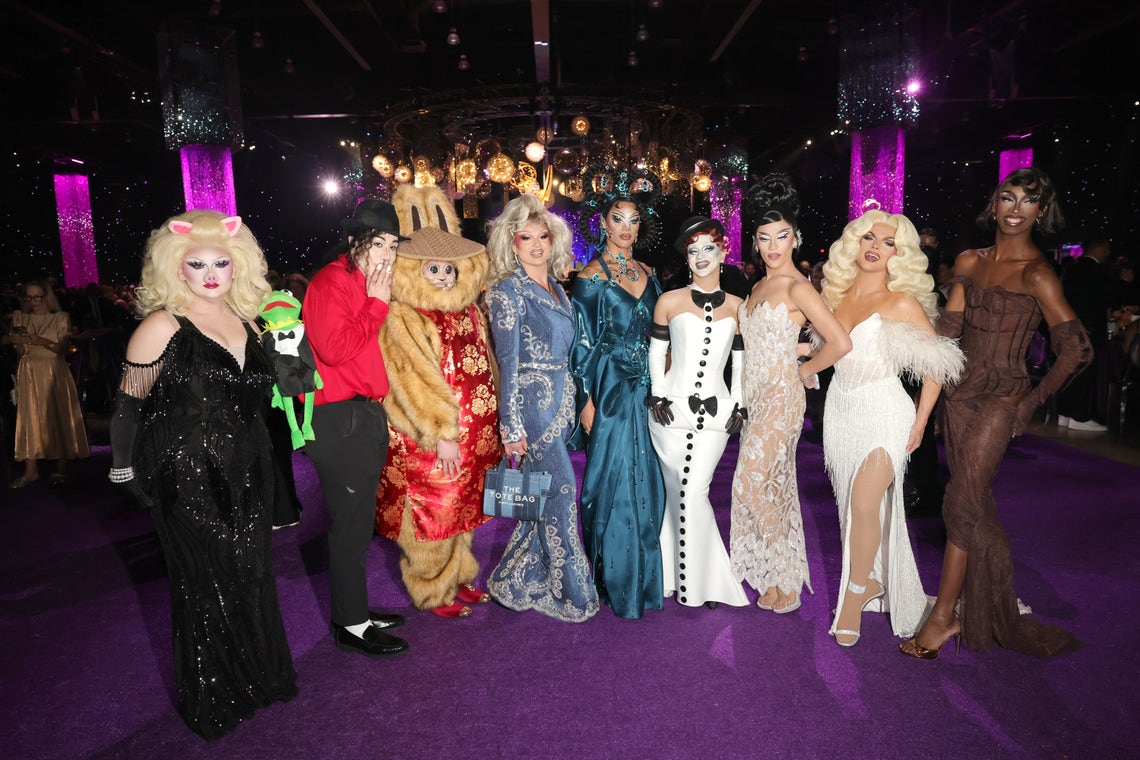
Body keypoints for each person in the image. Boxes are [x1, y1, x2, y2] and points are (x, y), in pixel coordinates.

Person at [107, 211, 296, 738]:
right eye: (198, 264)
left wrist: (294, 352)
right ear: (176, 267)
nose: (211, 274)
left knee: (251, 572)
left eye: (221, 263)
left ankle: (257, 677)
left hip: (251, 469)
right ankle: (215, 694)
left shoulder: (250, 321)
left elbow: (284, 389)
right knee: (204, 581)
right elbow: (127, 409)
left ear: (239, 266)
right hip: (187, 475)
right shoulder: (161, 327)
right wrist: (123, 470)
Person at [902, 167, 1091, 659]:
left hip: (1002, 399)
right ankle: (978, 606)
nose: (1015, 209)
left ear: (1041, 212)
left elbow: (1076, 350)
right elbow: (949, 335)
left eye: (1028, 201)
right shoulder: (969, 260)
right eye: (1008, 197)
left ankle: (943, 617)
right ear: (994, 203)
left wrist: (1029, 404)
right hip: (959, 396)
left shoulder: (1037, 274)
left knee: (962, 499)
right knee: (973, 501)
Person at [820, 209, 964, 646]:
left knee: (864, 503)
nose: (875, 248)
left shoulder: (901, 303)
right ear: (853, 243)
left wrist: (920, 422)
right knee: (851, 509)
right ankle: (871, 579)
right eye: (869, 238)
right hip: (840, 411)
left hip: (885, 411)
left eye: (888, 243)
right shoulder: (834, 297)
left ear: (899, 255)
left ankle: (853, 598)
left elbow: (938, 365)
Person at [730, 176, 851, 614]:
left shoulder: (798, 286)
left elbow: (839, 342)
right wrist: (796, 351)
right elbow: (771, 340)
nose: (773, 246)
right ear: (755, 242)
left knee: (748, 481)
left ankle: (785, 574)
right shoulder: (757, 287)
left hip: (781, 399)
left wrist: (804, 369)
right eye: (764, 238)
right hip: (755, 399)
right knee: (770, 486)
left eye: (781, 236)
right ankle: (776, 577)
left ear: (795, 237)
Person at [483, 194, 599, 622]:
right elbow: (508, 364)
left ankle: (513, 580)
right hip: (531, 409)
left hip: (560, 404)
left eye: (542, 237)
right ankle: (571, 592)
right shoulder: (506, 293)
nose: (535, 245)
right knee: (562, 491)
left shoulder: (555, 288)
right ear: (511, 244)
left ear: (554, 241)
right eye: (525, 237)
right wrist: (511, 427)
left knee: (544, 495)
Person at [375, 226, 500, 618]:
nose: (444, 277)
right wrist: (442, 434)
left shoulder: (469, 311)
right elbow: (412, 380)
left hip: (473, 437)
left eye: (450, 269)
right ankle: (433, 590)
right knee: (432, 515)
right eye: (434, 269)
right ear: (413, 270)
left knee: (463, 509)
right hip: (430, 441)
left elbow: (488, 367)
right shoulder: (404, 316)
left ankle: (458, 577)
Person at [303, 199, 409, 657]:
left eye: (392, 245)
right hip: (340, 418)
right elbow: (334, 349)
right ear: (353, 241)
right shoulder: (332, 281)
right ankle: (351, 624)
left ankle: (355, 609)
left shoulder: (359, 283)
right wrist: (377, 306)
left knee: (359, 522)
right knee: (350, 525)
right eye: (378, 243)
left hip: (361, 414)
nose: (387, 253)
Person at [570, 165, 666, 619]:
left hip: (650, 387)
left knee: (648, 478)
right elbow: (582, 343)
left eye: (633, 220)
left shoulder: (650, 271)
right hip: (609, 387)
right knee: (612, 480)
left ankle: (645, 575)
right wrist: (586, 400)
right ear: (604, 223)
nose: (626, 228)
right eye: (618, 219)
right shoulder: (591, 276)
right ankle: (613, 579)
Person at [647, 215, 749, 610]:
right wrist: (658, 397)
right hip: (669, 413)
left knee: (694, 491)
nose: (701, 256)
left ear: (723, 252)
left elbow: (739, 363)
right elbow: (657, 354)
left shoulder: (739, 307)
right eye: (693, 251)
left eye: (709, 248)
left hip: (717, 413)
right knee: (680, 492)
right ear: (686, 259)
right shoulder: (668, 301)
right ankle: (683, 577)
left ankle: (695, 580)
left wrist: (739, 403)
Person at [5, 279, 90, 488]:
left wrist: (39, 340)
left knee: (57, 415)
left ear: (47, 297)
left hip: (54, 371)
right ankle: (30, 470)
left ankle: (61, 466)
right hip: (28, 371)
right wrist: (16, 341)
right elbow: (17, 348)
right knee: (29, 418)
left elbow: (61, 349)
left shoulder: (60, 318)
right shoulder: (20, 317)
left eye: (38, 297)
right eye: (29, 297)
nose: (33, 302)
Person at [1056, 234, 1115, 431]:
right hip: (1089, 327)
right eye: (1107, 248)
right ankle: (1076, 416)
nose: (1108, 252)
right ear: (1101, 247)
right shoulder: (1097, 271)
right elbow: (1107, 297)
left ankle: (1064, 413)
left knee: (1071, 369)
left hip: (1069, 325)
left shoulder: (1072, 268)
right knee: (1084, 370)